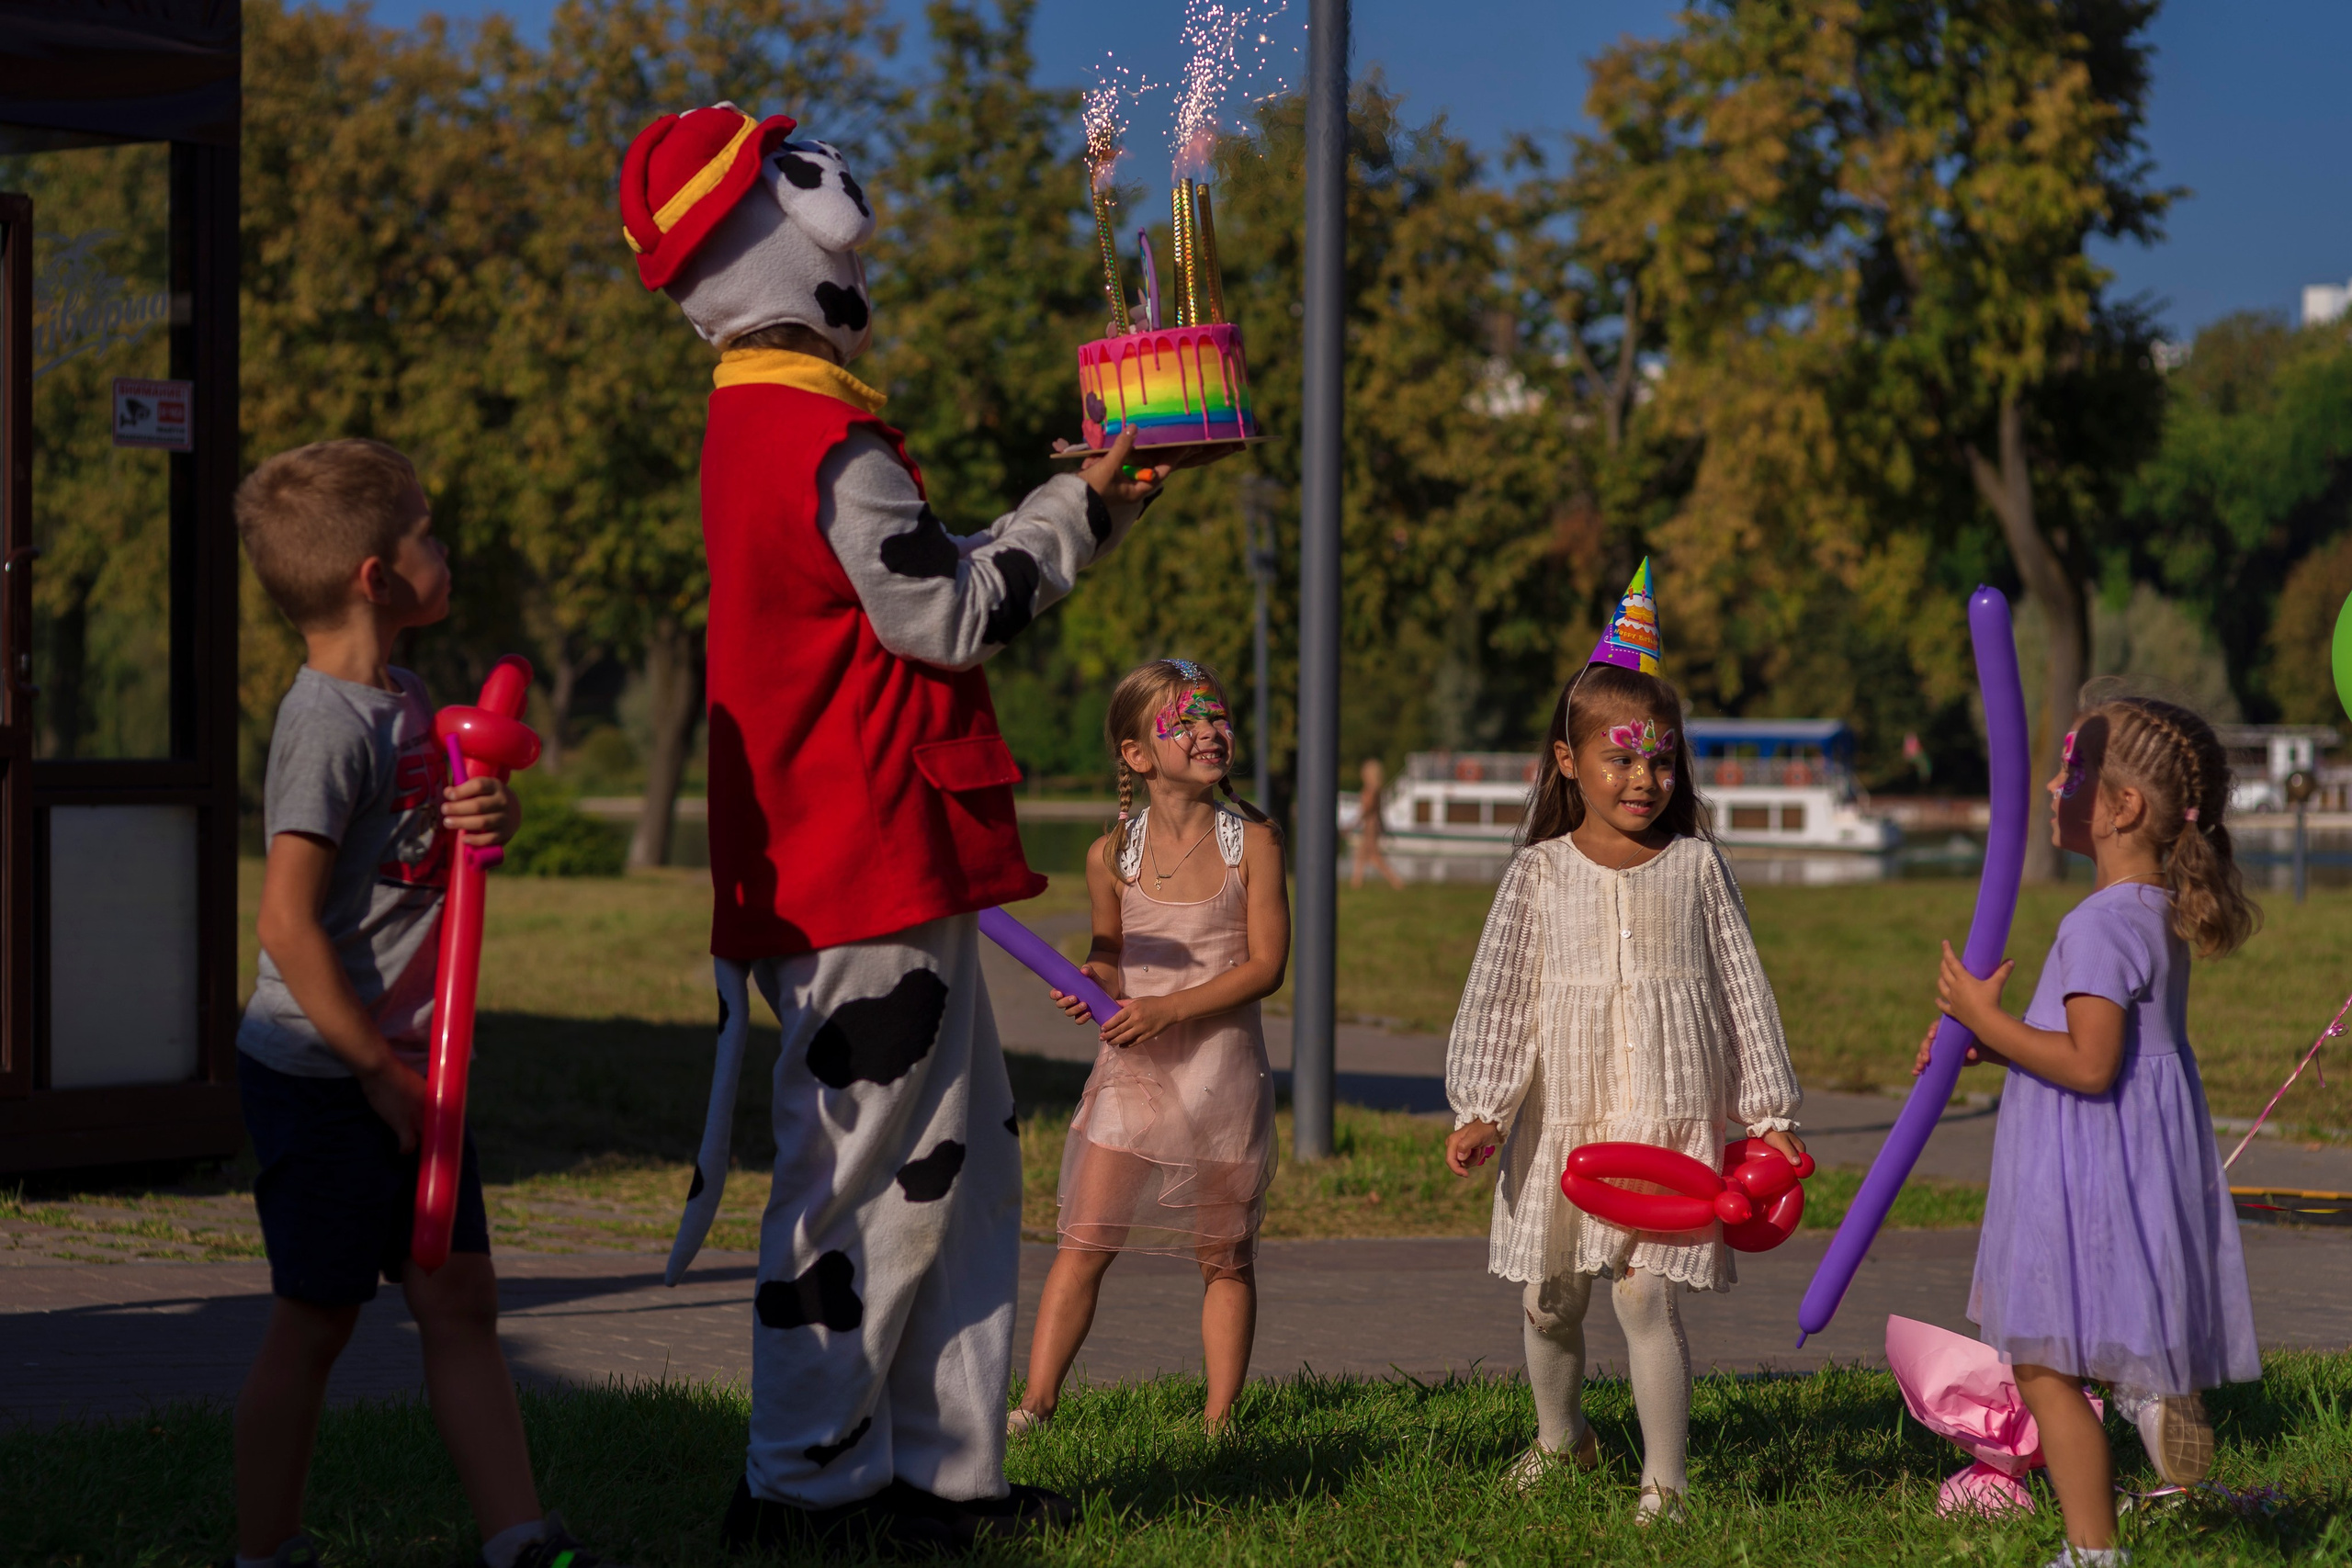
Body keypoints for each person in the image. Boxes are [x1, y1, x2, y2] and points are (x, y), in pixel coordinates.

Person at [616, 105, 1170, 1554]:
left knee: (954, 1165)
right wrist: (1080, 515)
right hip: (860, 856)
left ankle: (933, 1473)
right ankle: (807, 1484)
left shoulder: (761, 424)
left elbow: (906, 583)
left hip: (850, 852)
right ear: (787, 239)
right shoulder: (825, 436)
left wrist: (1076, 503)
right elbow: (947, 613)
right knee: (870, 1182)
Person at [229, 438, 616, 1568]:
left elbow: (424, 856)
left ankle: (517, 1539)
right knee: (319, 1316)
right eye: (427, 534)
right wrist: (375, 1074)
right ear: (373, 576)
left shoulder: (405, 699)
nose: (444, 550)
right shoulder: (323, 729)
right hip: (327, 1072)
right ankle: (263, 1552)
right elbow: (287, 923)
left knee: (461, 1301)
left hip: (415, 1066)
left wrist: (480, 822)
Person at [1442, 560, 1805, 1522]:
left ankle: (1665, 1485)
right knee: (1549, 1300)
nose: (1645, 778)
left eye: (1661, 760)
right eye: (1622, 758)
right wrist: (1481, 1106)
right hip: (1562, 1119)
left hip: (1665, 1113)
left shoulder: (1695, 868)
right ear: (1568, 763)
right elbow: (1501, 998)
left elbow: (1741, 991)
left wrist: (1769, 1117)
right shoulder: (1536, 876)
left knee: (1645, 1296)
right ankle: (1562, 1443)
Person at [1916, 695, 2260, 1568]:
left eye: (2072, 769)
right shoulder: (2152, 912)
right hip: (2134, 1162)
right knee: (2099, 1331)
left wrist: (1984, 1023)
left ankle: (2092, 1550)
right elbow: (2092, 1048)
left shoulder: (2098, 924)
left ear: (2122, 808)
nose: (2054, 784)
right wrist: (1992, 1049)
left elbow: (2090, 1063)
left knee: (2044, 1366)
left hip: (2083, 1165)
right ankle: (2149, 1388)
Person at [1011, 660, 1289, 1437]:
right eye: (1187, 722)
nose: (1210, 732)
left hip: (1221, 1079)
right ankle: (1034, 1405)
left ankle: (1219, 1418)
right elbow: (1109, 949)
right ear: (1136, 753)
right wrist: (1092, 978)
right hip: (1134, 1075)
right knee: (1084, 1240)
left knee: (1224, 1256)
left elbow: (1265, 966)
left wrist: (1168, 1007)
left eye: (1218, 716)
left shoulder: (1254, 843)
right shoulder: (1111, 856)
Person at [1351, 756, 1406, 889]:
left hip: (1369, 824)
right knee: (1361, 854)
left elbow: (1369, 808)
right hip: (1372, 824)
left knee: (1374, 856)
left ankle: (1396, 881)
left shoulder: (1371, 790)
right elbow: (1378, 811)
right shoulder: (1376, 790)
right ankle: (1356, 882)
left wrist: (1355, 821)